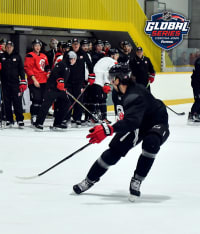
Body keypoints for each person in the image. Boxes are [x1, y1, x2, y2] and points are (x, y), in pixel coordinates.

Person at [73, 63, 170, 202]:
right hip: (137, 121)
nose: (110, 80)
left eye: (112, 78)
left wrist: (109, 129)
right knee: (114, 150)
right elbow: (125, 119)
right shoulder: (117, 93)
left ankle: (137, 179)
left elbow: (133, 121)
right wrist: (112, 130)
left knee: (151, 143)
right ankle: (89, 180)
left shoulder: (135, 94)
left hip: (156, 120)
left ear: (118, 79)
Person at [34, 51, 77, 130]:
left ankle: (57, 123)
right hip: (52, 88)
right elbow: (55, 73)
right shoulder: (61, 64)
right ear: (69, 58)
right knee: (46, 105)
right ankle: (38, 123)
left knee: (66, 103)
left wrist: (65, 86)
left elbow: (66, 79)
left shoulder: (68, 67)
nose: (74, 61)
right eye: (73, 59)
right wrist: (59, 80)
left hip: (60, 90)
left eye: (75, 59)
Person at [66, 38, 94, 128]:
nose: (75, 45)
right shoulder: (67, 54)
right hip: (69, 81)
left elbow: (90, 65)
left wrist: (91, 76)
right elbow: (63, 65)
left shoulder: (83, 53)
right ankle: (67, 118)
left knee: (79, 101)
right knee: (68, 100)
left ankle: (77, 118)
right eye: (74, 44)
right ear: (72, 45)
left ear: (79, 45)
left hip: (79, 82)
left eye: (77, 44)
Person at [86, 48, 119, 124]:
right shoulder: (112, 61)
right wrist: (107, 83)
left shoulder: (103, 59)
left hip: (95, 82)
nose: (117, 56)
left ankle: (93, 117)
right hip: (100, 82)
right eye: (116, 55)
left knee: (96, 100)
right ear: (112, 55)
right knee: (102, 100)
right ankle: (103, 118)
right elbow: (107, 73)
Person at [0, 40, 26, 128]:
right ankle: (9, 119)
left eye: (10, 46)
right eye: (7, 46)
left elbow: (21, 70)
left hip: (15, 83)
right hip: (4, 83)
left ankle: (20, 119)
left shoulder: (17, 56)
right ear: (5, 48)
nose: (9, 48)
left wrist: (23, 81)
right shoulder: (1, 56)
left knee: (17, 102)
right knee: (6, 102)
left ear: (13, 47)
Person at [24, 39, 50, 125]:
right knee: (36, 99)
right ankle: (34, 116)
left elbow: (47, 67)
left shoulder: (44, 55)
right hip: (34, 81)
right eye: (36, 45)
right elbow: (28, 68)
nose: (37, 47)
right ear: (33, 47)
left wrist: (48, 73)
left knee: (42, 99)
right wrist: (34, 80)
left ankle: (39, 116)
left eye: (39, 45)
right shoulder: (30, 55)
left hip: (44, 81)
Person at [188, 57, 200, 123]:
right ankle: (192, 114)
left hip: (197, 83)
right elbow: (197, 74)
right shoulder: (198, 61)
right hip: (197, 84)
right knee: (198, 99)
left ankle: (198, 114)